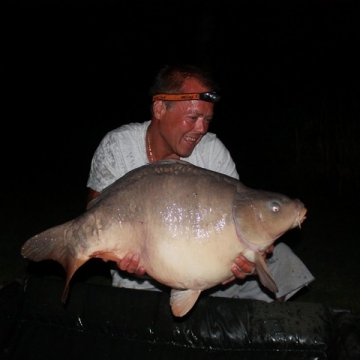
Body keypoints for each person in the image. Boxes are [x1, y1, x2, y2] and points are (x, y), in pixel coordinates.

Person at [86, 64, 314, 302]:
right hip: (144, 274)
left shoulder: (212, 150)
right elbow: (94, 217)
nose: (201, 129)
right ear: (160, 108)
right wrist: (116, 256)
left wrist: (250, 258)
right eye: (193, 117)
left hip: (209, 269)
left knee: (281, 259)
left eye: (207, 119)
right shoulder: (119, 146)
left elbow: (240, 216)